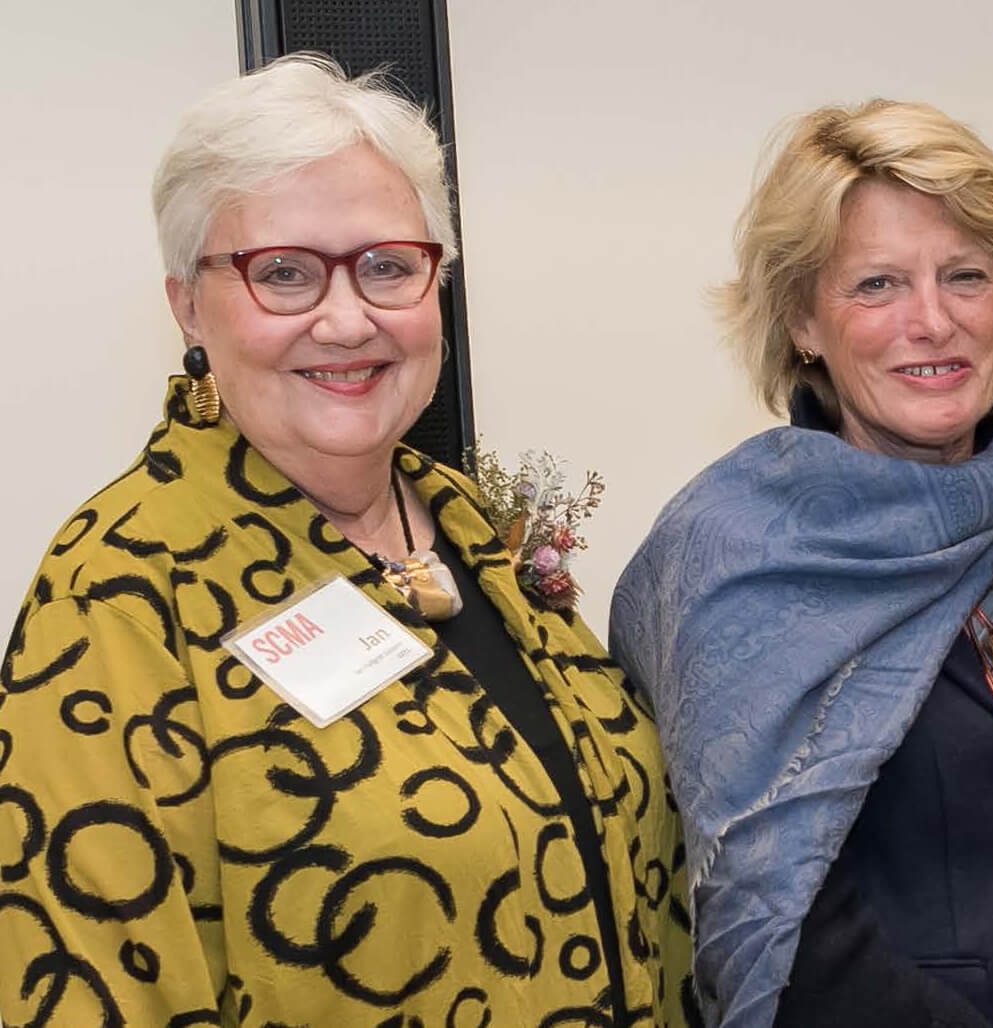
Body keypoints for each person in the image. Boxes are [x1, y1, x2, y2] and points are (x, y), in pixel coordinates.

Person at [0, 54, 692, 1026]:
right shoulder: (121, 591)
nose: (345, 314)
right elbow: (93, 987)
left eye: (386, 265)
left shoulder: (463, 520)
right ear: (188, 305)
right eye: (282, 271)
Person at [610, 99, 993, 1028]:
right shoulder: (736, 551)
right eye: (877, 285)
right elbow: (782, 928)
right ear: (803, 320)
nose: (933, 321)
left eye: (966, 275)